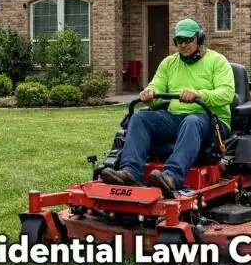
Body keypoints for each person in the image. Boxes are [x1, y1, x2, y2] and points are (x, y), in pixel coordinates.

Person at [100, 18, 235, 196]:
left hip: (211, 121)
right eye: (179, 41)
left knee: (192, 121)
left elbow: (227, 94)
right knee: (140, 117)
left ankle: (171, 177)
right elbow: (156, 88)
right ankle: (130, 172)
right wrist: (149, 94)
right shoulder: (169, 63)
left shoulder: (218, 61)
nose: (184, 45)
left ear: (199, 39)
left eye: (188, 40)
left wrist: (199, 94)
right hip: (176, 118)